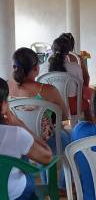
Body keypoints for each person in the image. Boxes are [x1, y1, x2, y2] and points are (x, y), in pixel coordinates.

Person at [8, 47, 70, 190]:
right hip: (44, 141)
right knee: (67, 137)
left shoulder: (7, 87)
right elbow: (64, 116)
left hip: (18, 140)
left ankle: (41, 178)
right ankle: (59, 184)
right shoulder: (48, 90)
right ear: (36, 68)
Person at [0, 78, 52, 200]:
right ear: (3, 106)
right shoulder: (16, 134)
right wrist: (19, 124)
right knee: (23, 154)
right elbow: (47, 157)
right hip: (13, 193)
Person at [41, 37, 91, 120]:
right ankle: (92, 131)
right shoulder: (75, 67)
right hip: (72, 107)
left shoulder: (42, 67)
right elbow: (81, 89)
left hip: (49, 107)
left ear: (52, 49)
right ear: (68, 52)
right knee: (87, 105)